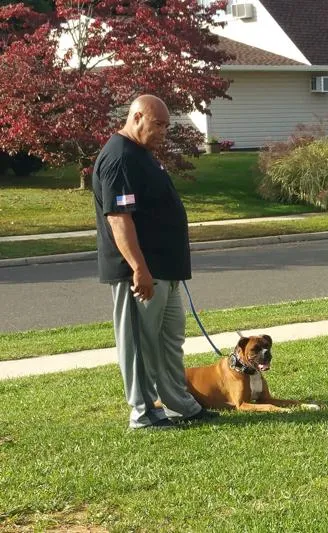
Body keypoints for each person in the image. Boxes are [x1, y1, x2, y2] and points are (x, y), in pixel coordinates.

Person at [92, 95, 218, 430]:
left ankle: (180, 406)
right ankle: (144, 414)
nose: (163, 131)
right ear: (135, 117)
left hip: (165, 271)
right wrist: (139, 268)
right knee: (139, 344)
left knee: (169, 341)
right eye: (157, 124)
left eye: (166, 124)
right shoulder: (120, 158)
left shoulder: (143, 155)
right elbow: (119, 218)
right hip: (141, 273)